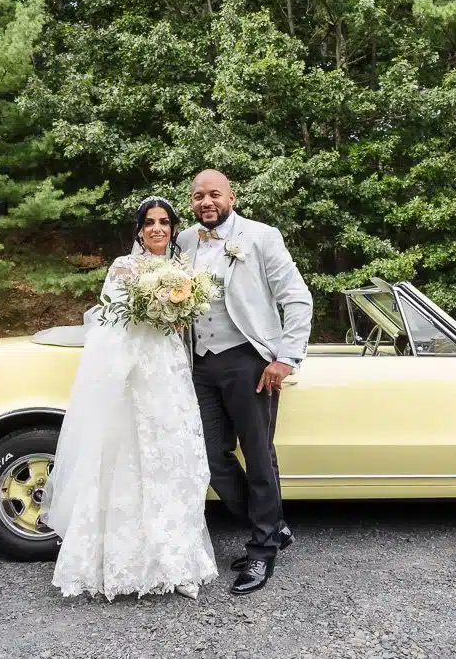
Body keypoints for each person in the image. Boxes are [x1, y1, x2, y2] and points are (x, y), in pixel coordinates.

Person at [43, 196, 218, 601]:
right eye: (149, 222)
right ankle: (119, 565)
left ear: (173, 229)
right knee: (128, 464)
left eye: (164, 222)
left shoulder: (182, 271)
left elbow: (182, 324)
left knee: (174, 461)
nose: (157, 228)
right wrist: (151, 312)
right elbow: (108, 326)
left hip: (171, 373)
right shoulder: (124, 267)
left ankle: (176, 562)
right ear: (139, 229)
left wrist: (173, 312)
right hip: (135, 377)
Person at [176, 169, 313, 595]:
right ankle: (272, 527)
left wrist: (285, 358)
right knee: (211, 456)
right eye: (198, 196)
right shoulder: (184, 241)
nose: (206, 202)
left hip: (250, 361)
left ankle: (263, 548)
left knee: (257, 452)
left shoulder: (261, 236)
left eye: (214, 194)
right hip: (200, 363)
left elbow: (297, 296)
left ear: (231, 197)